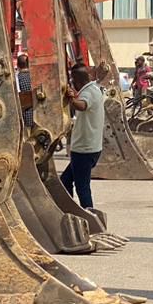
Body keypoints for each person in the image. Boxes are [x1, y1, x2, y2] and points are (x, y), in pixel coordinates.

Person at [60, 66, 104, 209]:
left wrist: (71, 97)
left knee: (82, 187)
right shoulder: (93, 89)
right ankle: (70, 209)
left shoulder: (89, 92)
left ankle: (90, 215)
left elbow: (82, 106)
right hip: (88, 148)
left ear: (76, 80)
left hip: (84, 149)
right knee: (65, 180)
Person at [15, 53, 34, 129]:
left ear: (18, 65)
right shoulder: (34, 77)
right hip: (36, 114)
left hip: (24, 116)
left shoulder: (17, 78)